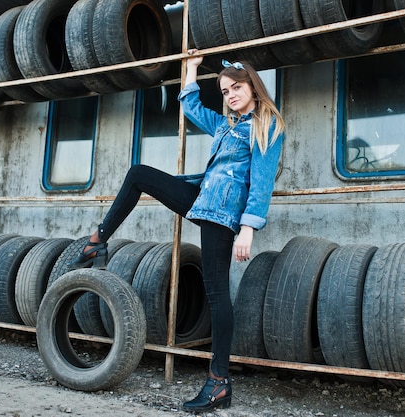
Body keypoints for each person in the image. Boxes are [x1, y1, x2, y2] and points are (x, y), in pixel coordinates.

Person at [68, 49, 285, 412]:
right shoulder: (226, 125)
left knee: (217, 296)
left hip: (222, 215)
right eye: (225, 91)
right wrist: (191, 70)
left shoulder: (267, 125)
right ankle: (97, 241)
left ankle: (219, 383)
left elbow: (261, 182)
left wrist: (248, 228)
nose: (230, 95)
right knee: (139, 174)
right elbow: (191, 107)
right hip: (201, 198)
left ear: (252, 86)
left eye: (236, 88)